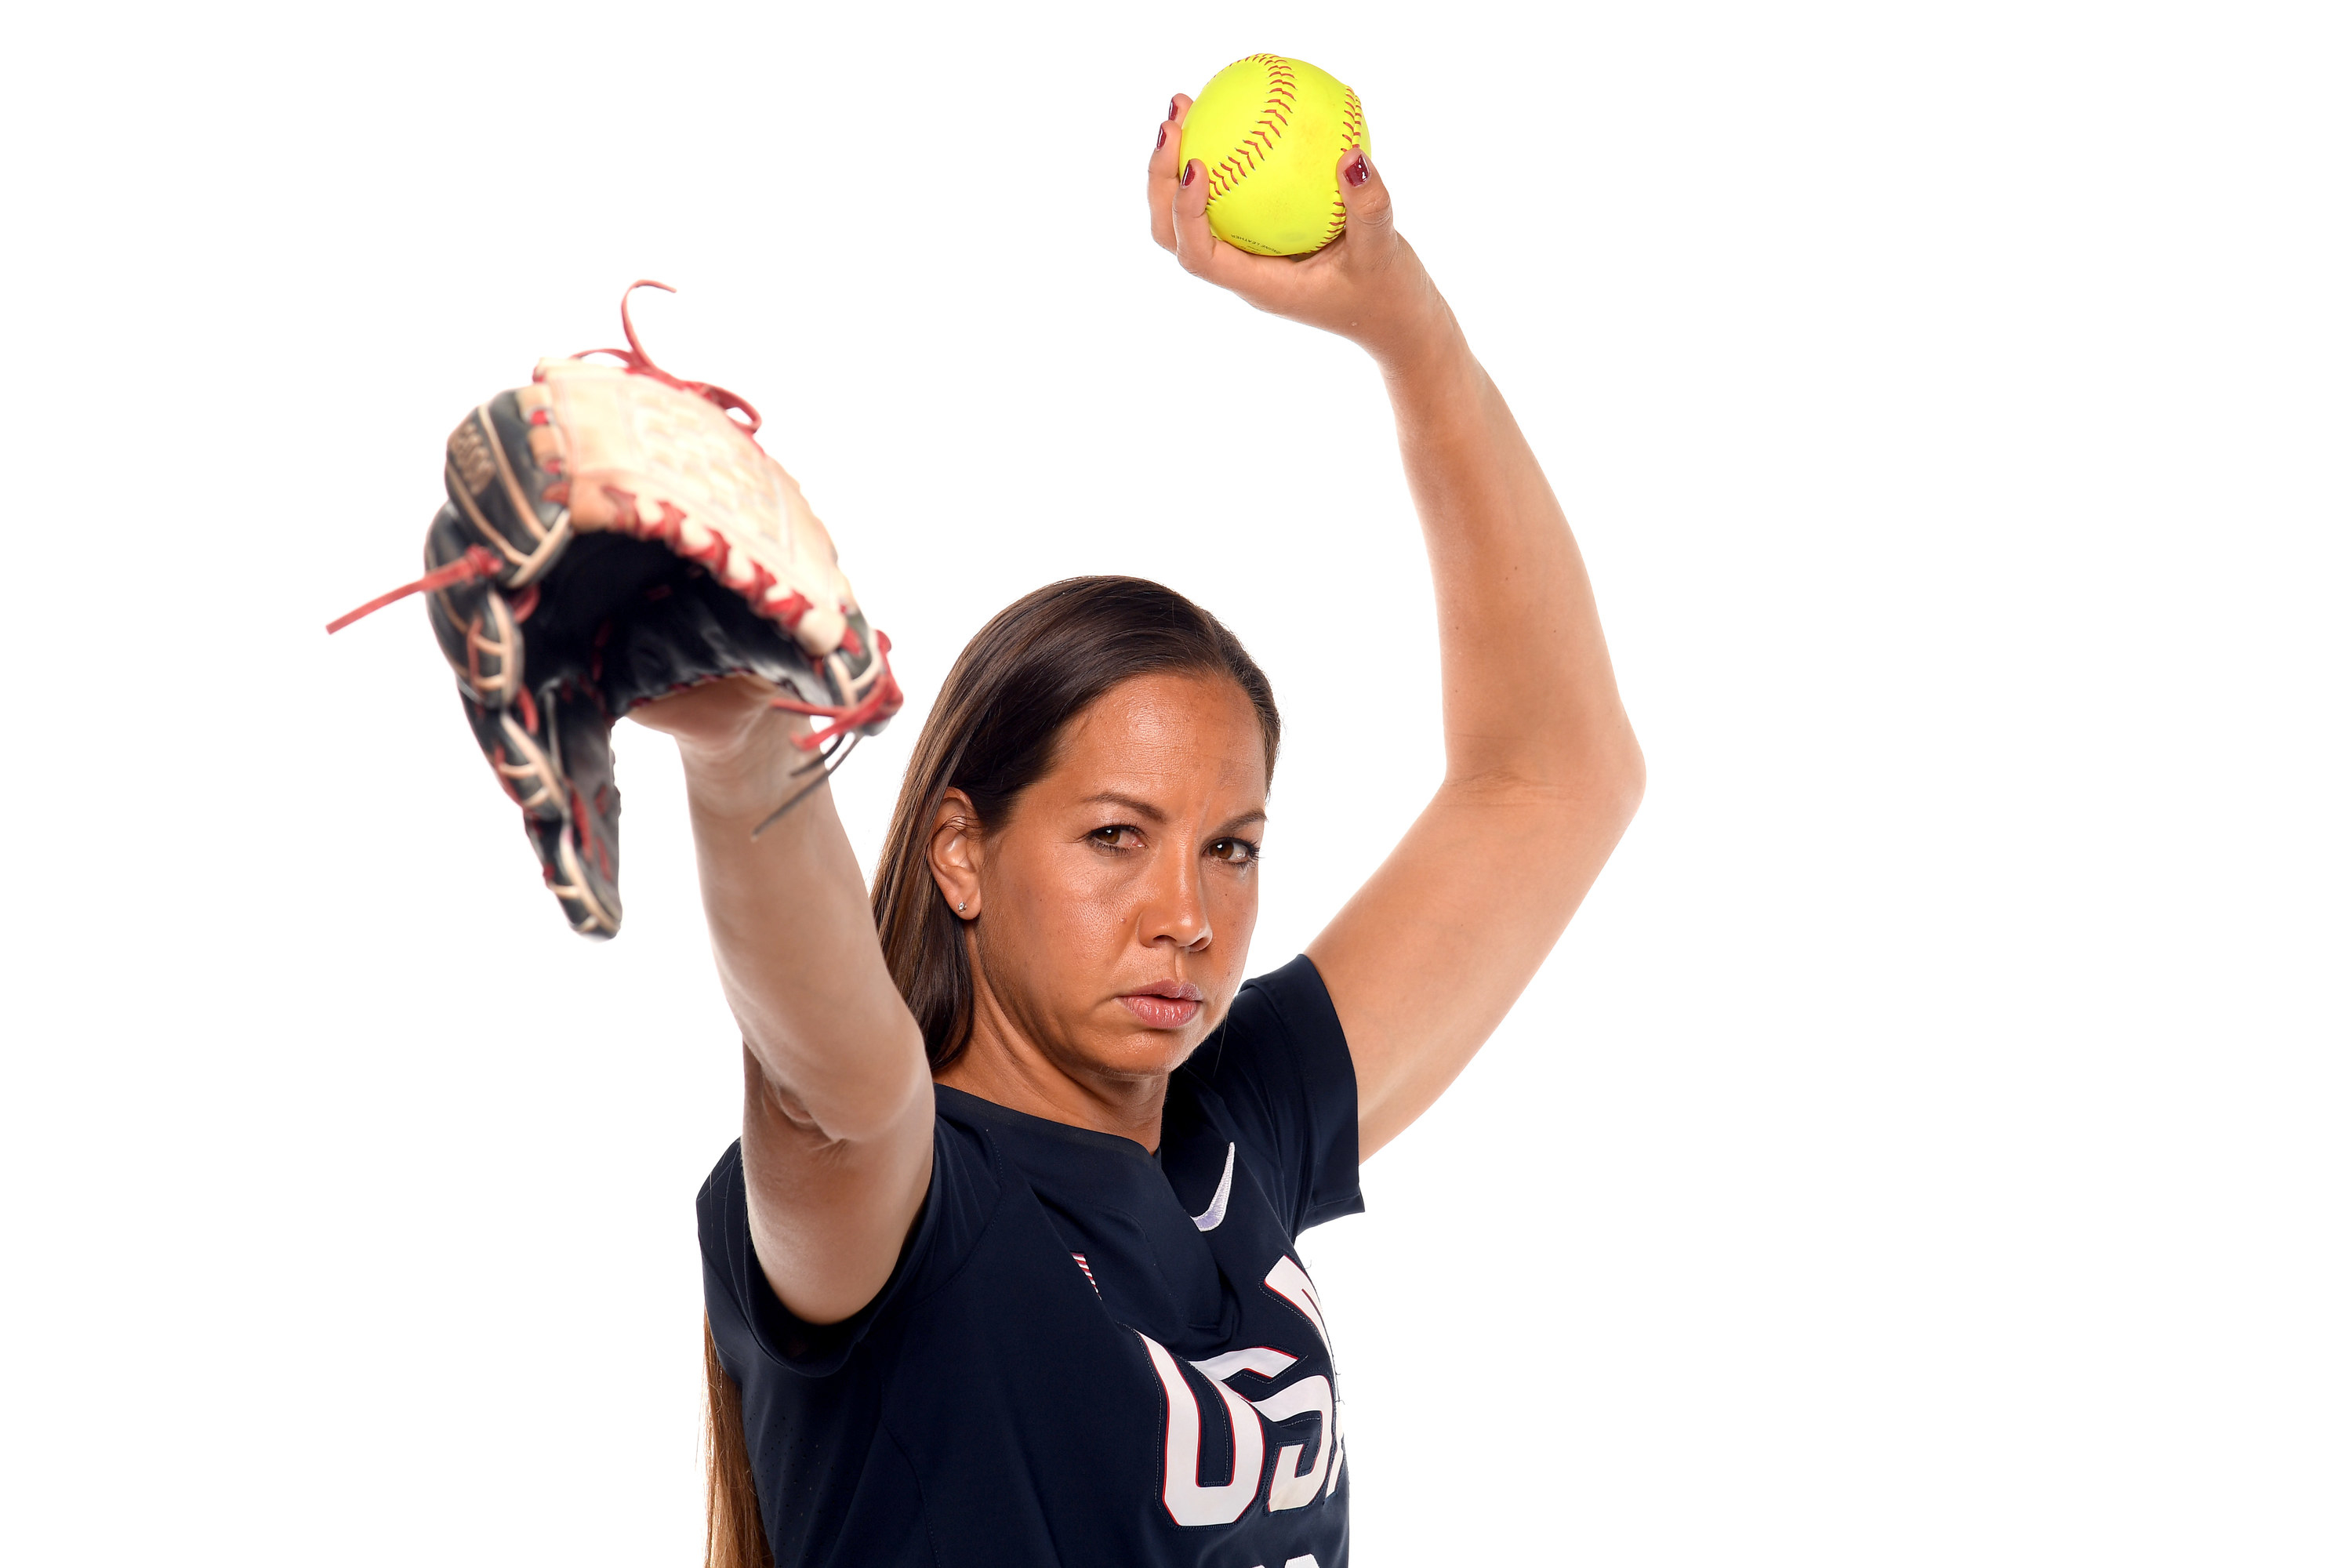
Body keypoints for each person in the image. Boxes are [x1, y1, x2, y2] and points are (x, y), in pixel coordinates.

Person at [632, 96, 1645, 1568]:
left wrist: (1405, 325)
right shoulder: (906, 1204)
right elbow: (828, 1077)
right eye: (1116, 837)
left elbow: (1556, 774)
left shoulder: (1236, 1127)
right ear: (961, 852)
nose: (1190, 911)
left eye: (1230, 846)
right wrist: (747, 760)